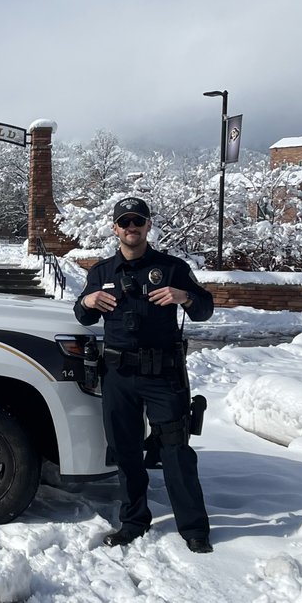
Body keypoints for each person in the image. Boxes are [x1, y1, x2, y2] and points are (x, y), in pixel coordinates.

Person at [74, 196, 216, 554]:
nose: (131, 227)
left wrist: (183, 296)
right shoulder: (102, 273)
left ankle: (194, 528)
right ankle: (133, 521)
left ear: (148, 225)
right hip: (119, 375)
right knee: (125, 452)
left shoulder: (171, 268)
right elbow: (83, 316)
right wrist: (88, 302)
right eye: (125, 222)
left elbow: (204, 309)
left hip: (163, 376)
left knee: (175, 451)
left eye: (138, 221)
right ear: (115, 228)